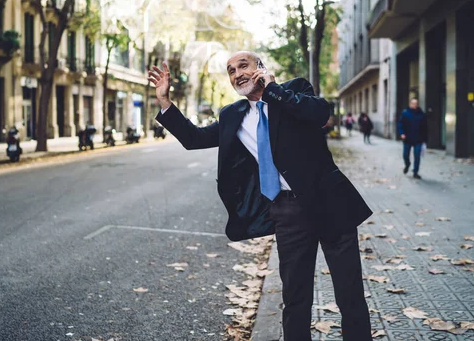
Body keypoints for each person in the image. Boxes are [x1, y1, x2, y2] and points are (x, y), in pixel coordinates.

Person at [148, 52, 373, 341]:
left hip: (330, 203)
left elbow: (319, 114)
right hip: (287, 212)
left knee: (349, 293)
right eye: (231, 71)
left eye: (244, 65)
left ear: (261, 69)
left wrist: (273, 90)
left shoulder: (294, 90)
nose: (237, 73)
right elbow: (195, 139)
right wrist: (165, 102)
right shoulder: (233, 116)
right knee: (295, 298)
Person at [398, 98, 428, 179]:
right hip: (407, 139)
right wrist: (402, 133)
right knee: (405, 155)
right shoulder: (405, 113)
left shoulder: (421, 114)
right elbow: (400, 124)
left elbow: (425, 127)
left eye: (416, 103)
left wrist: (425, 139)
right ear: (410, 104)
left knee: (417, 156)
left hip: (418, 139)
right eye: (413, 103)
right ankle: (407, 164)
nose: (415, 105)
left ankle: (415, 172)